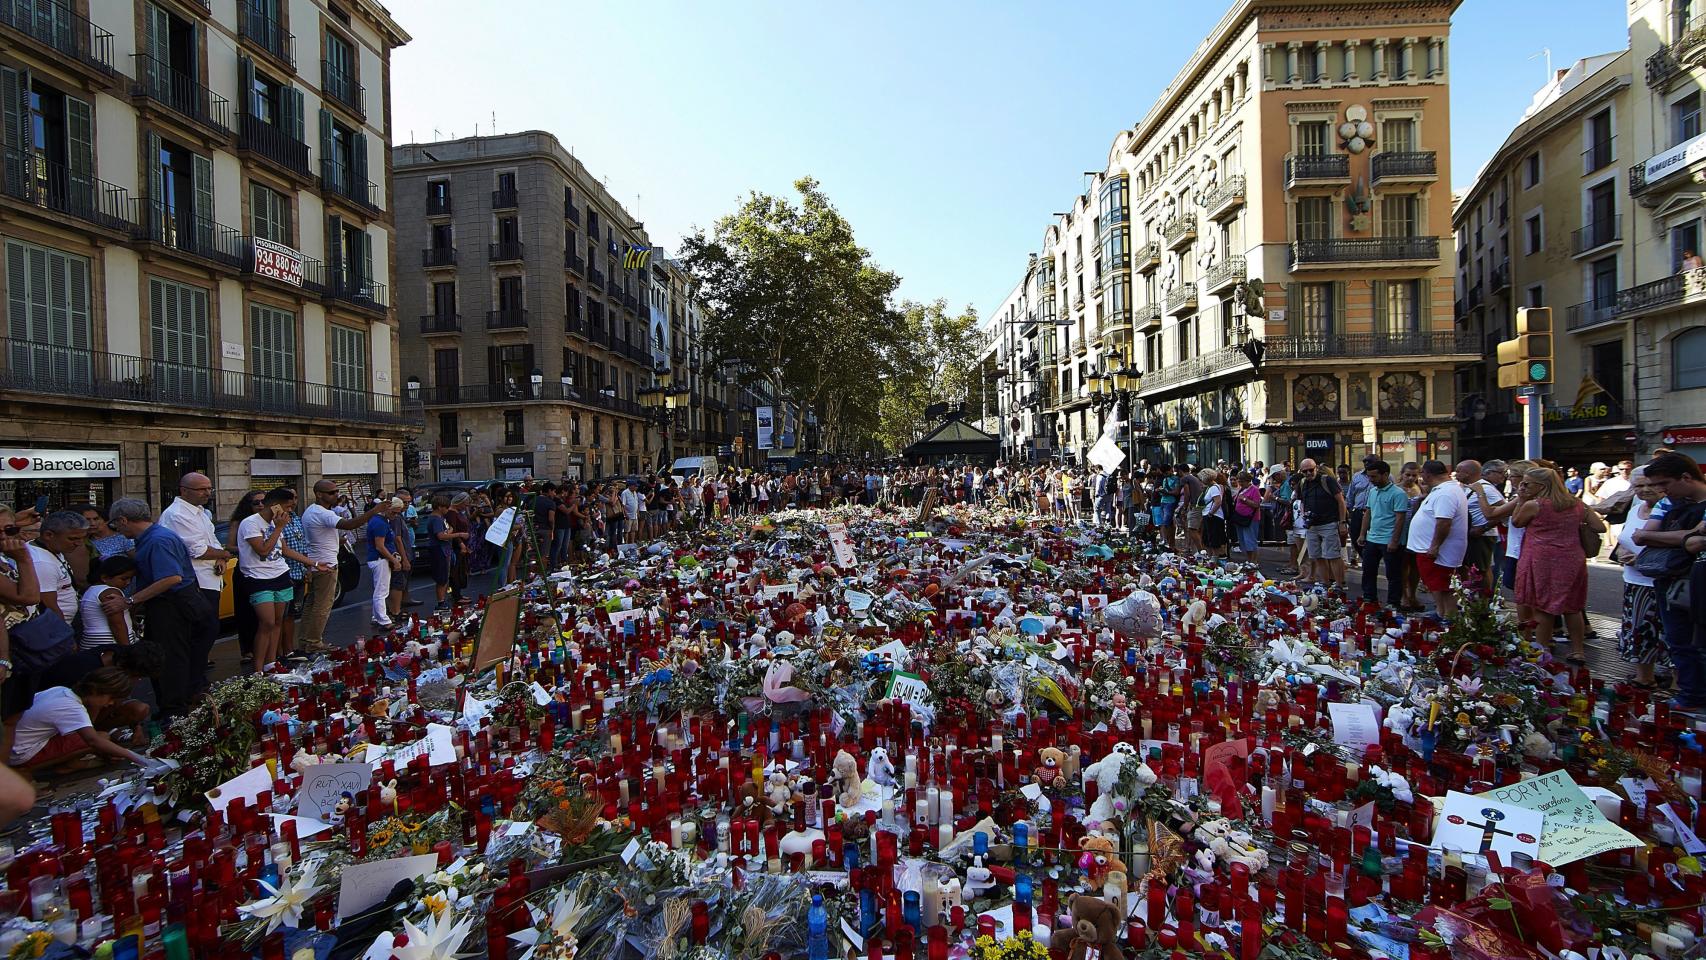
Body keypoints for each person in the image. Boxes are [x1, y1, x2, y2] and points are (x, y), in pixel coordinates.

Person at [106, 499, 217, 718]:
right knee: (169, 657)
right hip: (170, 604)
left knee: (172, 660)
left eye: (115, 524)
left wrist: (130, 601)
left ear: (123, 520)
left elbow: (171, 578)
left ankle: (174, 712)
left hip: (174, 604)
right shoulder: (152, 538)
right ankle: (174, 706)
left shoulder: (159, 540)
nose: (116, 530)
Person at [1633, 452, 1706, 710]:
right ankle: (1691, 694)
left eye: (1664, 484)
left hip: (1697, 579)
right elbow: (1641, 536)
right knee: (1679, 639)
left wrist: (1679, 538)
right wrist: (1689, 535)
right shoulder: (1667, 502)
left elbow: (1698, 542)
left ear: (1685, 477)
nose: (1660, 491)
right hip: (1670, 580)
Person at [1513, 464, 1604, 665]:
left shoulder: (1534, 505)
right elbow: (1599, 526)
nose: (1523, 487)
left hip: (1541, 558)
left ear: (1541, 485)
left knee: (1543, 607)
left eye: (1527, 484)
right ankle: (1578, 651)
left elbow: (1517, 522)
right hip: (1572, 558)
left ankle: (1541, 650)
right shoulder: (1577, 503)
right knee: (1573, 606)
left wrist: (1520, 499)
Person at [238, 488, 323, 670]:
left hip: (280, 574)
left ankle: (270, 664)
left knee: (278, 621)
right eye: (288, 506)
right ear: (275, 505)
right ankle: (258, 669)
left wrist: (314, 563)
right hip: (258, 578)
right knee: (267, 622)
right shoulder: (250, 523)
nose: (290, 511)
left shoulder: (276, 522)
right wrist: (278, 528)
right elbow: (262, 550)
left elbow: (284, 550)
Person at [9, 667, 152, 771]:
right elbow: (93, 740)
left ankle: (71, 762)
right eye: (111, 698)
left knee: (99, 739)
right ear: (95, 691)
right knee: (102, 737)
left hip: (13, 742)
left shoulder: (61, 690)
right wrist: (136, 757)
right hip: (20, 753)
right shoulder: (73, 707)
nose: (110, 704)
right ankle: (24, 770)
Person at [297, 481, 378, 651]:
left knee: (312, 604)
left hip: (317, 562)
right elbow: (350, 524)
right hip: (325, 565)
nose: (336, 495)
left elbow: (319, 535)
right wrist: (375, 510)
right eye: (331, 492)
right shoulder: (322, 513)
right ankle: (313, 642)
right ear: (319, 494)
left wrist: (336, 540)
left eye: (336, 491)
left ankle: (305, 640)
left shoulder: (311, 511)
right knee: (322, 606)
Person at [157, 473, 233, 653]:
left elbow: (213, 541)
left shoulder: (200, 512)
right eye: (201, 489)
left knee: (208, 631)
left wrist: (221, 557)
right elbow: (197, 551)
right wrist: (224, 553)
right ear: (184, 491)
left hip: (209, 580)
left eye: (209, 488)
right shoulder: (178, 515)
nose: (207, 493)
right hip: (195, 582)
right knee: (201, 633)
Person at [1616, 467, 1669, 691]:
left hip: (1660, 581)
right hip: (1634, 581)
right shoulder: (1635, 509)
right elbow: (1624, 538)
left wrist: (1644, 560)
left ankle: (1676, 682)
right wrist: (1621, 552)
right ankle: (1644, 677)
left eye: (1650, 484)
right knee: (1639, 629)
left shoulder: (1671, 509)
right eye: (1639, 485)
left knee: (1665, 632)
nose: (1645, 489)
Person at [1405, 460, 1469, 617]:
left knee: (1443, 586)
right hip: (1430, 549)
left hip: (1438, 551)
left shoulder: (1446, 493)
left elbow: (1444, 522)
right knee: (1438, 585)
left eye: (1422, 474)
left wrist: (1435, 546)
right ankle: (1442, 612)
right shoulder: (1443, 490)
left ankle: (1447, 616)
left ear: (1427, 474)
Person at [1356, 460, 1408, 608]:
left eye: (1374, 477)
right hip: (1373, 538)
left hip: (1389, 539)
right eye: (1369, 476)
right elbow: (1368, 513)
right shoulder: (1373, 491)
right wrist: (1362, 534)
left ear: (1385, 475)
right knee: (1368, 570)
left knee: (1393, 574)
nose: (1371, 480)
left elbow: (1400, 518)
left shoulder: (1398, 494)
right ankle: (1369, 599)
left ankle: (1393, 603)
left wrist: (1394, 540)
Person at [223, 489, 266, 663]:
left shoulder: (269, 521)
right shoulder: (240, 522)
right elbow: (229, 546)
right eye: (256, 502)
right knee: (246, 612)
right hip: (246, 569)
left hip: (266, 569)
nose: (261, 505)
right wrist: (251, 546)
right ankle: (248, 649)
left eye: (264, 501)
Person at [1294, 459, 1348, 589]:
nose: (1308, 473)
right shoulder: (1302, 483)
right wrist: (1304, 514)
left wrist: (1342, 522)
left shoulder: (1327, 480)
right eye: (1305, 471)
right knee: (1316, 555)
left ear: (1316, 468)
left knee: (1333, 555)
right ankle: (1325, 583)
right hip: (1312, 525)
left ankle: (1339, 584)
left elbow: (1341, 501)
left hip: (1329, 522)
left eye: (1311, 470)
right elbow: (1301, 501)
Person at [27, 511, 86, 630]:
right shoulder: (42, 562)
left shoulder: (51, 549)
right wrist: (64, 634)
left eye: (82, 538)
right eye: (73, 539)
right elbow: (49, 607)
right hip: (52, 630)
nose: (79, 543)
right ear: (48, 535)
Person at [1454, 460, 1503, 592]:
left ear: (1468, 473)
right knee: (1471, 568)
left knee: (1482, 569)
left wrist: (1483, 528)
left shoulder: (1486, 489)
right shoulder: (1467, 487)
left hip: (1482, 536)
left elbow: (1503, 511)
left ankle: (1484, 599)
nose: (1456, 474)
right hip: (1471, 535)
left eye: (1458, 471)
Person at [78, 555, 137, 651]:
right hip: (109, 644)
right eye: (123, 579)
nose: (128, 582)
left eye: (130, 578)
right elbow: (117, 624)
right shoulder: (110, 592)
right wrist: (127, 650)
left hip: (90, 643)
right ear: (105, 577)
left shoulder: (91, 590)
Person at [365, 499, 402, 629]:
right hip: (380, 559)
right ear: (387, 509)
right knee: (381, 591)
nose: (395, 516)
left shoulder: (380, 520)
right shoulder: (380, 523)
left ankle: (377, 617)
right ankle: (383, 620)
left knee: (379, 589)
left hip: (379, 558)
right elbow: (380, 546)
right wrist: (394, 560)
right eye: (394, 512)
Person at [1346, 457, 1374, 571]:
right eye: (1365, 462)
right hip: (1358, 511)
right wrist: (1349, 511)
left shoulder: (1385, 477)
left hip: (1374, 512)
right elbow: (1351, 494)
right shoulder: (1357, 476)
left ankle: (1370, 560)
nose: (1366, 464)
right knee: (1355, 537)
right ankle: (1365, 557)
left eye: (1370, 461)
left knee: (1372, 539)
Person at [1200, 469, 1227, 557]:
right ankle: (1211, 557)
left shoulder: (1214, 488)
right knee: (1208, 538)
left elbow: (1218, 502)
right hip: (1209, 515)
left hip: (1213, 516)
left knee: (1213, 538)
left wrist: (1211, 513)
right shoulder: (1211, 487)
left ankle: (1215, 557)